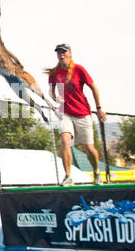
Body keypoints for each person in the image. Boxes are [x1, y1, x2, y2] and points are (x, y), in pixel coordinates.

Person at [46, 43, 107, 186]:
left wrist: (98, 108)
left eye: (64, 52)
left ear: (70, 53)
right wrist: (54, 97)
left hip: (82, 113)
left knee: (89, 148)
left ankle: (97, 172)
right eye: (59, 53)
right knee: (65, 141)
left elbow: (94, 88)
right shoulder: (55, 73)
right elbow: (51, 90)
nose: (61, 55)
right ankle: (68, 176)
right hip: (65, 113)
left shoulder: (79, 69)